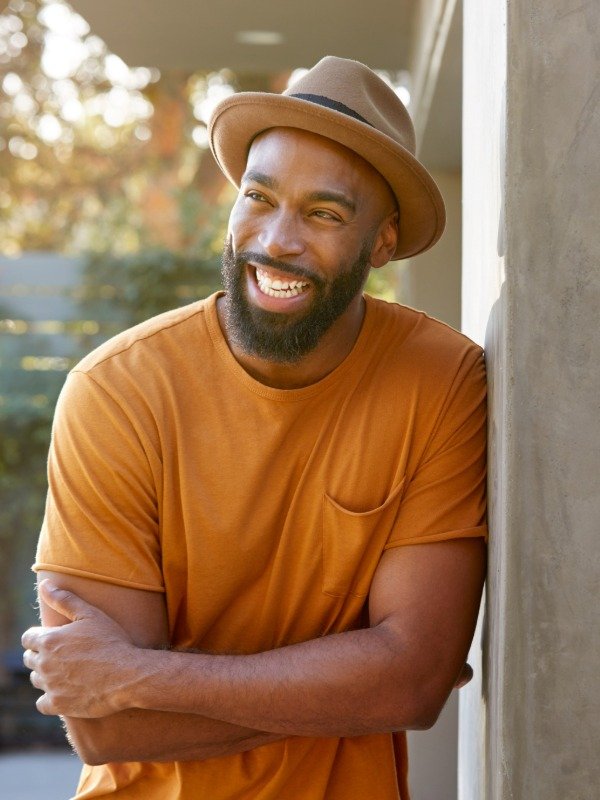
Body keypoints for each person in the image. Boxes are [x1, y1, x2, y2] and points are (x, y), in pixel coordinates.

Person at [21, 56, 487, 800]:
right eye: (258, 198)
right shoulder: (116, 392)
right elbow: (106, 726)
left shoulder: (441, 379)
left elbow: (413, 683)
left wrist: (139, 675)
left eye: (324, 214)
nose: (277, 240)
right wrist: (357, 685)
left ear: (382, 243)